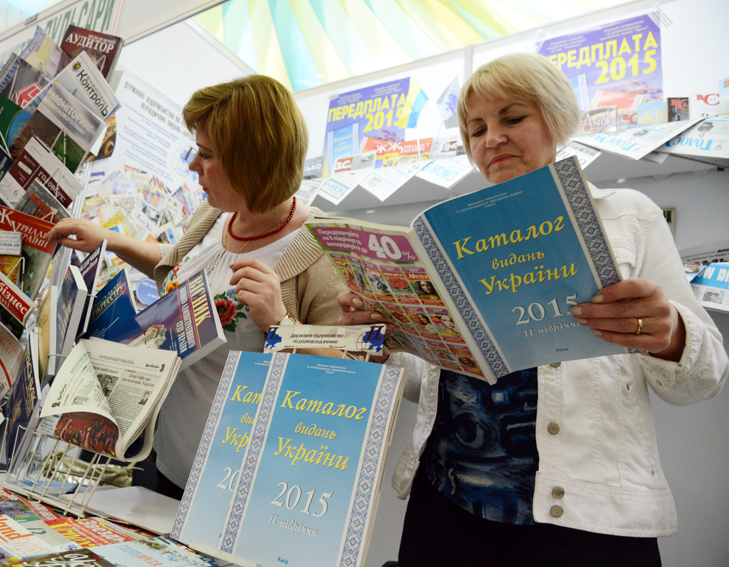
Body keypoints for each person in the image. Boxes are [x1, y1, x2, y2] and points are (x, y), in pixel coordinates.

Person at [337, 53, 728, 566]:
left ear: (555, 118)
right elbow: (441, 381)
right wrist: (387, 344)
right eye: (476, 128)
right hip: (445, 504)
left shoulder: (629, 216)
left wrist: (671, 333)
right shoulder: (444, 236)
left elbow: (704, 379)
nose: (490, 138)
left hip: (580, 524)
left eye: (512, 118)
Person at [46, 75, 347, 499]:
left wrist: (282, 324)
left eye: (206, 155)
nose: (192, 165)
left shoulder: (323, 247)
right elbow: (176, 268)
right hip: (167, 464)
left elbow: (354, 372)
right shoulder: (214, 217)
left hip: (241, 487)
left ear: (251, 160)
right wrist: (109, 240)